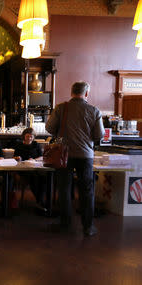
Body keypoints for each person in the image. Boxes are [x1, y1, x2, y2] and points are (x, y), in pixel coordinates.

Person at [46, 81, 104, 236]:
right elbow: (99, 135)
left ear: (72, 92)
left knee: (64, 189)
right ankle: (88, 226)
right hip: (86, 155)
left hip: (64, 154)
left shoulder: (61, 108)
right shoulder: (94, 110)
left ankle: (65, 224)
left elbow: (49, 128)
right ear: (86, 94)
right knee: (87, 191)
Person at [13, 127, 47, 213]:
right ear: (24, 136)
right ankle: (40, 201)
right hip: (23, 169)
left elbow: (42, 156)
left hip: (34, 167)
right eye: (28, 136)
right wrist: (18, 158)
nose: (29, 138)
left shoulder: (36, 144)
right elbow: (15, 157)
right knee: (34, 178)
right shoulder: (19, 145)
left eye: (31, 136)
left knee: (43, 178)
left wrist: (34, 160)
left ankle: (40, 201)